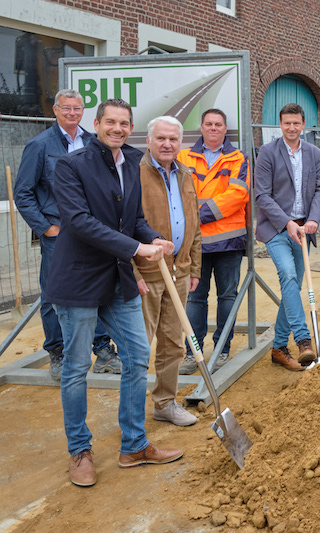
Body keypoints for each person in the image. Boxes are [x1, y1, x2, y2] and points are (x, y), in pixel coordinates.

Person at [49, 99, 183, 487]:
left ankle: (134, 444)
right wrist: (137, 249)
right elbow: (80, 222)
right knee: (76, 368)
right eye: (111, 122)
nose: (118, 128)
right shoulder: (71, 166)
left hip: (117, 279)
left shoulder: (133, 163)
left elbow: (133, 219)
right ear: (97, 124)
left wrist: (151, 236)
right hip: (78, 282)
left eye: (125, 123)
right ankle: (80, 450)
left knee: (138, 355)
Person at [14, 88, 122, 380]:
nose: (72, 113)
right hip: (59, 234)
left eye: (77, 109)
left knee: (99, 290)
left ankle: (102, 351)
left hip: (93, 232)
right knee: (54, 295)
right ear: (55, 110)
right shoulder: (40, 146)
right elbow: (23, 193)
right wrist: (46, 228)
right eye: (66, 108)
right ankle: (58, 352)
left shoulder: (92, 142)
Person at [133, 116, 202, 427]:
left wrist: (194, 266)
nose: (167, 144)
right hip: (146, 275)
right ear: (148, 141)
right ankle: (133, 413)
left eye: (173, 139)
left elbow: (194, 226)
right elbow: (123, 227)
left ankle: (165, 403)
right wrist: (132, 272)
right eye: (161, 138)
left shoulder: (186, 174)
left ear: (180, 143)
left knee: (173, 343)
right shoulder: (135, 174)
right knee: (139, 346)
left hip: (179, 273)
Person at [177, 109, 250, 374]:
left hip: (228, 242)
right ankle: (191, 353)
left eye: (218, 124)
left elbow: (238, 195)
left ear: (225, 127)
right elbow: (178, 192)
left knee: (227, 296)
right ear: (201, 126)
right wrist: (196, 212)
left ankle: (222, 350)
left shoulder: (237, 158)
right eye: (209, 123)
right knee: (194, 298)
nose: (213, 128)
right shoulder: (183, 157)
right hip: (193, 243)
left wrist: (197, 212)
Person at [255, 103, 320, 371]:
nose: (292, 128)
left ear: (303, 124)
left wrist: (313, 219)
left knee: (292, 288)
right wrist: (286, 222)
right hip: (276, 228)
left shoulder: (314, 152)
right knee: (288, 274)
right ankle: (303, 340)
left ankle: (277, 347)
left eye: (296, 123)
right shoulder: (267, 152)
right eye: (287, 123)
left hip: (303, 229)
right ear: (280, 125)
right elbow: (262, 194)